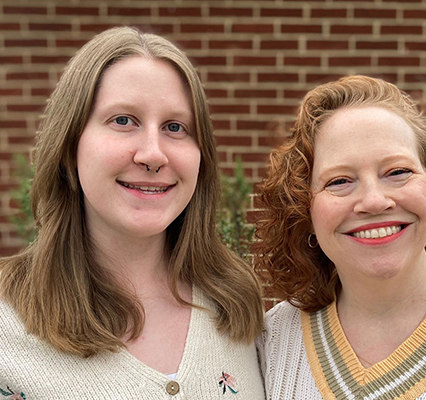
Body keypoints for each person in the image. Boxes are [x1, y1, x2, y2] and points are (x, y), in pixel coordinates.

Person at [0, 27, 265, 399]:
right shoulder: (5, 327)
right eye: (124, 120)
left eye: (176, 127)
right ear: (70, 145)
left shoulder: (236, 304)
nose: (153, 154)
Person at [255, 75, 426, 399]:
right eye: (339, 181)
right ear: (306, 208)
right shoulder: (268, 342)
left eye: (397, 172)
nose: (373, 201)